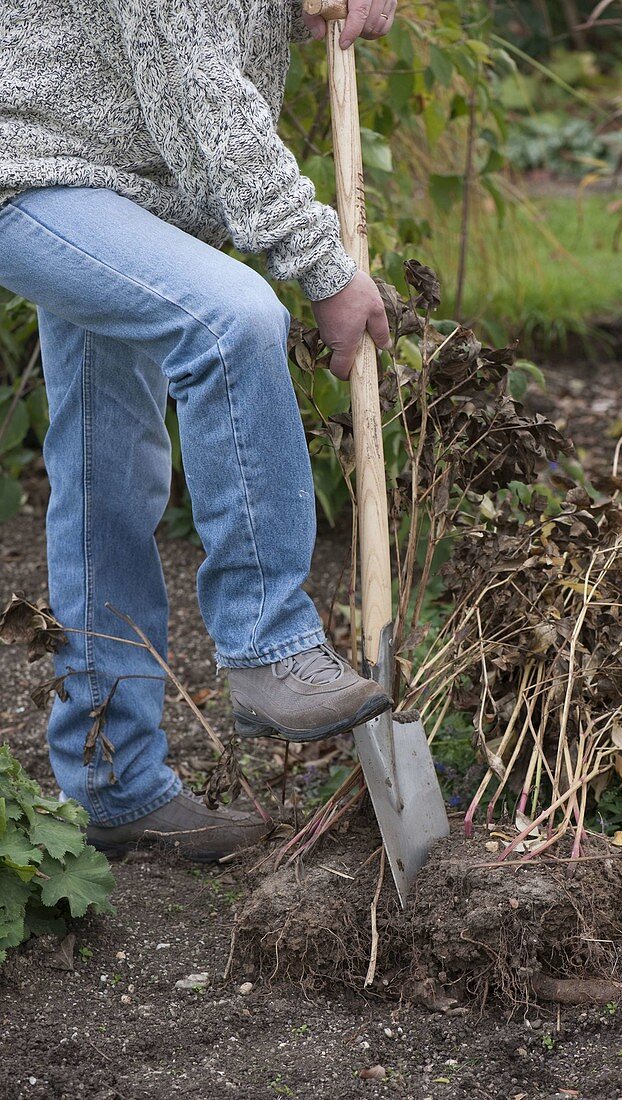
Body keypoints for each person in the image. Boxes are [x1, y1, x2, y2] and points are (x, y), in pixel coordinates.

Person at [0, 0, 398, 860]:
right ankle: (269, 645)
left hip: (102, 173)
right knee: (231, 320)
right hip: (31, 170)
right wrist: (327, 274)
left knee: (107, 472)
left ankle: (115, 787)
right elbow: (200, 89)